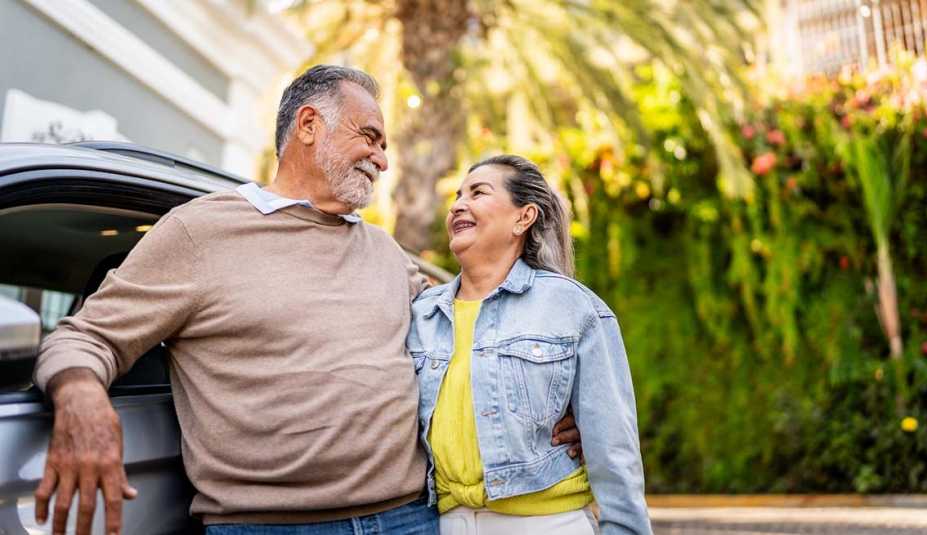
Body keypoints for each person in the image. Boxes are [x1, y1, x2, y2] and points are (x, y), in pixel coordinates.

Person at [32, 66, 579, 535]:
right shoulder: (201, 232)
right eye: (370, 137)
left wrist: (552, 403)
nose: (382, 161)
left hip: (410, 517)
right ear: (310, 125)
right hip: (269, 526)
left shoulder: (384, 251)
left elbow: (472, 342)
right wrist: (82, 400)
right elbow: (86, 337)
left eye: (384, 145)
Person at [406, 155, 652, 535]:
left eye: (478, 192)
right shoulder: (421, 313)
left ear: (524, 218)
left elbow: (614, 449)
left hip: (548, 524)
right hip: (444, 524)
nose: (458, 204)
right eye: (457, 195)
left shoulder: (573, 308)